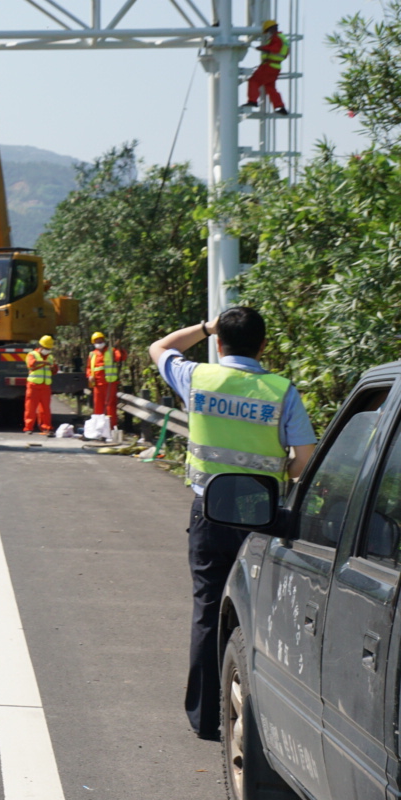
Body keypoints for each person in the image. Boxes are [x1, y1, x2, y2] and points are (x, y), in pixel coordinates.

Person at [148, 306, 315, 742]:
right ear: (263, 346)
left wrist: (206, 326)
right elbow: (304, 460)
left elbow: (160, 347)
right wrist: (278, 474)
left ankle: (207, 719)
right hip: (262, 515)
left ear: (219, 343)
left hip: (210, 512)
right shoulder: (281, 391)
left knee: (209, 611)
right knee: (263, 615)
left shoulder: (198, 378)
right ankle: (263, 723)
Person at [241, 19, 289, 115]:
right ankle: (280, 107)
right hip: (276, 66)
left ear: (271, 29)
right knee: (270, 87)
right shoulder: (282, 37)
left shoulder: (276, 38)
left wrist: (262, 48)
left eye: (268, 31)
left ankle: (252, 101)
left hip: (269, 66)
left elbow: (275, 49)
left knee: (253, 81)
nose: (268, 33)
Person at [86, 331, 125, 419]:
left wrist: (119, 348)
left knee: (110, 406)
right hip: (97, 384)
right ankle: (99, 425)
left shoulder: (112, 351)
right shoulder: (92, 354)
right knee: (98, 406)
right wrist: (89, 376)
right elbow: (89, 367)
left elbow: (121, 357)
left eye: (100, 340)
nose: (99, 343)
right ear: (93, 343)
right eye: (97, 341)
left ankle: (111, 425)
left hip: (110, 383)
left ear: (104, 340)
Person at [23, 335, 55, 435]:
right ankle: (28, 428)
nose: (47, 350)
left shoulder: (50, 357)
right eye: (46, 348)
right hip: (34, 385)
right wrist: (44, 362)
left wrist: (53, 367)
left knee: (45, 409)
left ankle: (46, 427)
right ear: (41, 346)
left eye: (49, 349)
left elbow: (54, 371)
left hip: (45, 386)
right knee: (30, 408)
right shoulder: (32, 354)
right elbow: (31, 364)